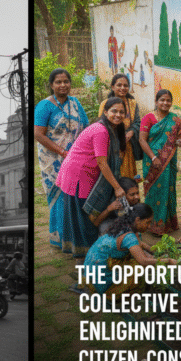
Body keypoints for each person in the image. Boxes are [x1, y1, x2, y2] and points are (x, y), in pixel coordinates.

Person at [51, 97, 128, 258]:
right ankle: (85, 254)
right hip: (78, 174)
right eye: (114, 111)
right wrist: (117, 187)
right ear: (105, 112)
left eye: (121, 112)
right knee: (83, 217)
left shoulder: (112, 129)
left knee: (85, 215)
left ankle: (87, 251)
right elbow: (102, 162)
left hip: (86, 172)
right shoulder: (101, 130)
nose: (118, 115)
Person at [36, 69, 88, 247]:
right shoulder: (44, 106)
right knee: (58, 196)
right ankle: (58, 238)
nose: (63, 85)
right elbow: (38, 134)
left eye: (66, 81)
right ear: (51, 85)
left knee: (73, 195)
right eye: (58, 82)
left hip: (75, 158)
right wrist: (62, 152)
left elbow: (85, 126)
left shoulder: (75, 103)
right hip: (53, 161)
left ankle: (73, 235)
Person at [79, 203, 177, 297]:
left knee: (138, 260)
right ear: (138, 220)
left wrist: (158, 251)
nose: (149, 226)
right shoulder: (129, 237)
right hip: (100, 282)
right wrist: (168, 261)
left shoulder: (124, 225)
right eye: (147, 222)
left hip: (91, 272)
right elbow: (143, 261)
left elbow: (140, 244)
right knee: (139, 267)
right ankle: (118, 293)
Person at [139, 89, 181, 235]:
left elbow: (178, 138)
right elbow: (142, 140)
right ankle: (152, 224)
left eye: (168, 100)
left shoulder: (175, 120)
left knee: (168, 189)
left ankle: (167, 223)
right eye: (162, 100)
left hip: (168, 162)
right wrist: (154, 158)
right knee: (153, 191)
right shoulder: (148, 118)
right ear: (156, 101)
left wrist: (180, 142)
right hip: (152, 161)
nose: (165, 103)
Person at [99, 74, 143, 179]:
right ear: (112, 86)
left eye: (125, 85)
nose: (122, 88)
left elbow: (137, 122)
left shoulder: (132, 103)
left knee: (129, 178)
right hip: (111, 146)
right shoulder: (105, 104)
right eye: (119, 85)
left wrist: (131, 132)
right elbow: (101, 124)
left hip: (128, 146)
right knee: (113, 174)